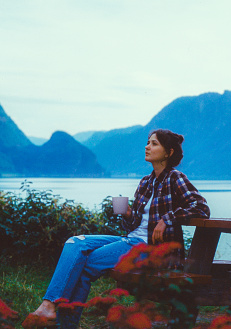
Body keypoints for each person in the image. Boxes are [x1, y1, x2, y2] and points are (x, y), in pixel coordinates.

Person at [23, 129, 210, 328]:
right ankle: (49, 306)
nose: (147, 146)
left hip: (153, 250)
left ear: (168, 152)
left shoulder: (175, 178)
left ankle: (62, 320)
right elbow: (135, 225)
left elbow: (201, 207)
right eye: (148, 142)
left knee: (86, 264)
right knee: (75, 243)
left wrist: (168, 219)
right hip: (131, 240)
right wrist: (129, 214)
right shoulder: (145, 182)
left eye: (154, 144)